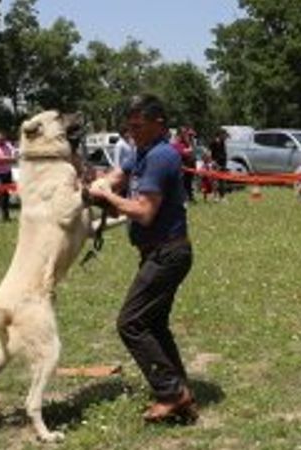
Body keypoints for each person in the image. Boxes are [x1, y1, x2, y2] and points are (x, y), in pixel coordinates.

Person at [89, 94, 196, 423]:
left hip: (167, 254)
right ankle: (179, 389)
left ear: (158, 124)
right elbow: (118, 176)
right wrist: (97, 182)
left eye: (138, 125)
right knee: (154, 324)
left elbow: (144, 212)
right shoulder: (143, 152)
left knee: (131, 323)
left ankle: (171, 393)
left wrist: (106, 196)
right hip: (160, 252)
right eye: (129, 125)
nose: (131, 131)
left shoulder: (162, 156)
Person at [172, 127, 197, 203]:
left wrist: (190, 142)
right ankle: (182, 198)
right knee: (182, 182)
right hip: (182, 165)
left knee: (188, 182)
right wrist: (188, 150)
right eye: (184, 133)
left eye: (186, 133)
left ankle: (189, 197)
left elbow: (191, 151)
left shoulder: (188, 141)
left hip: (190, 164)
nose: (186, 134)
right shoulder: (177, 141)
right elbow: (182, 151)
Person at [208, 129, 229, 200]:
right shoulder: (214, 142)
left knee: (222, 181)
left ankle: (222, 196)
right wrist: (213, 162)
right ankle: (215, 196)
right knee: (215, 181)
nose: (226, 137)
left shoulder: (222, 142)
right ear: (220, 135)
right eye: (225, 135)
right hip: (216, 163)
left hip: (223, 163)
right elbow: (209, 153)